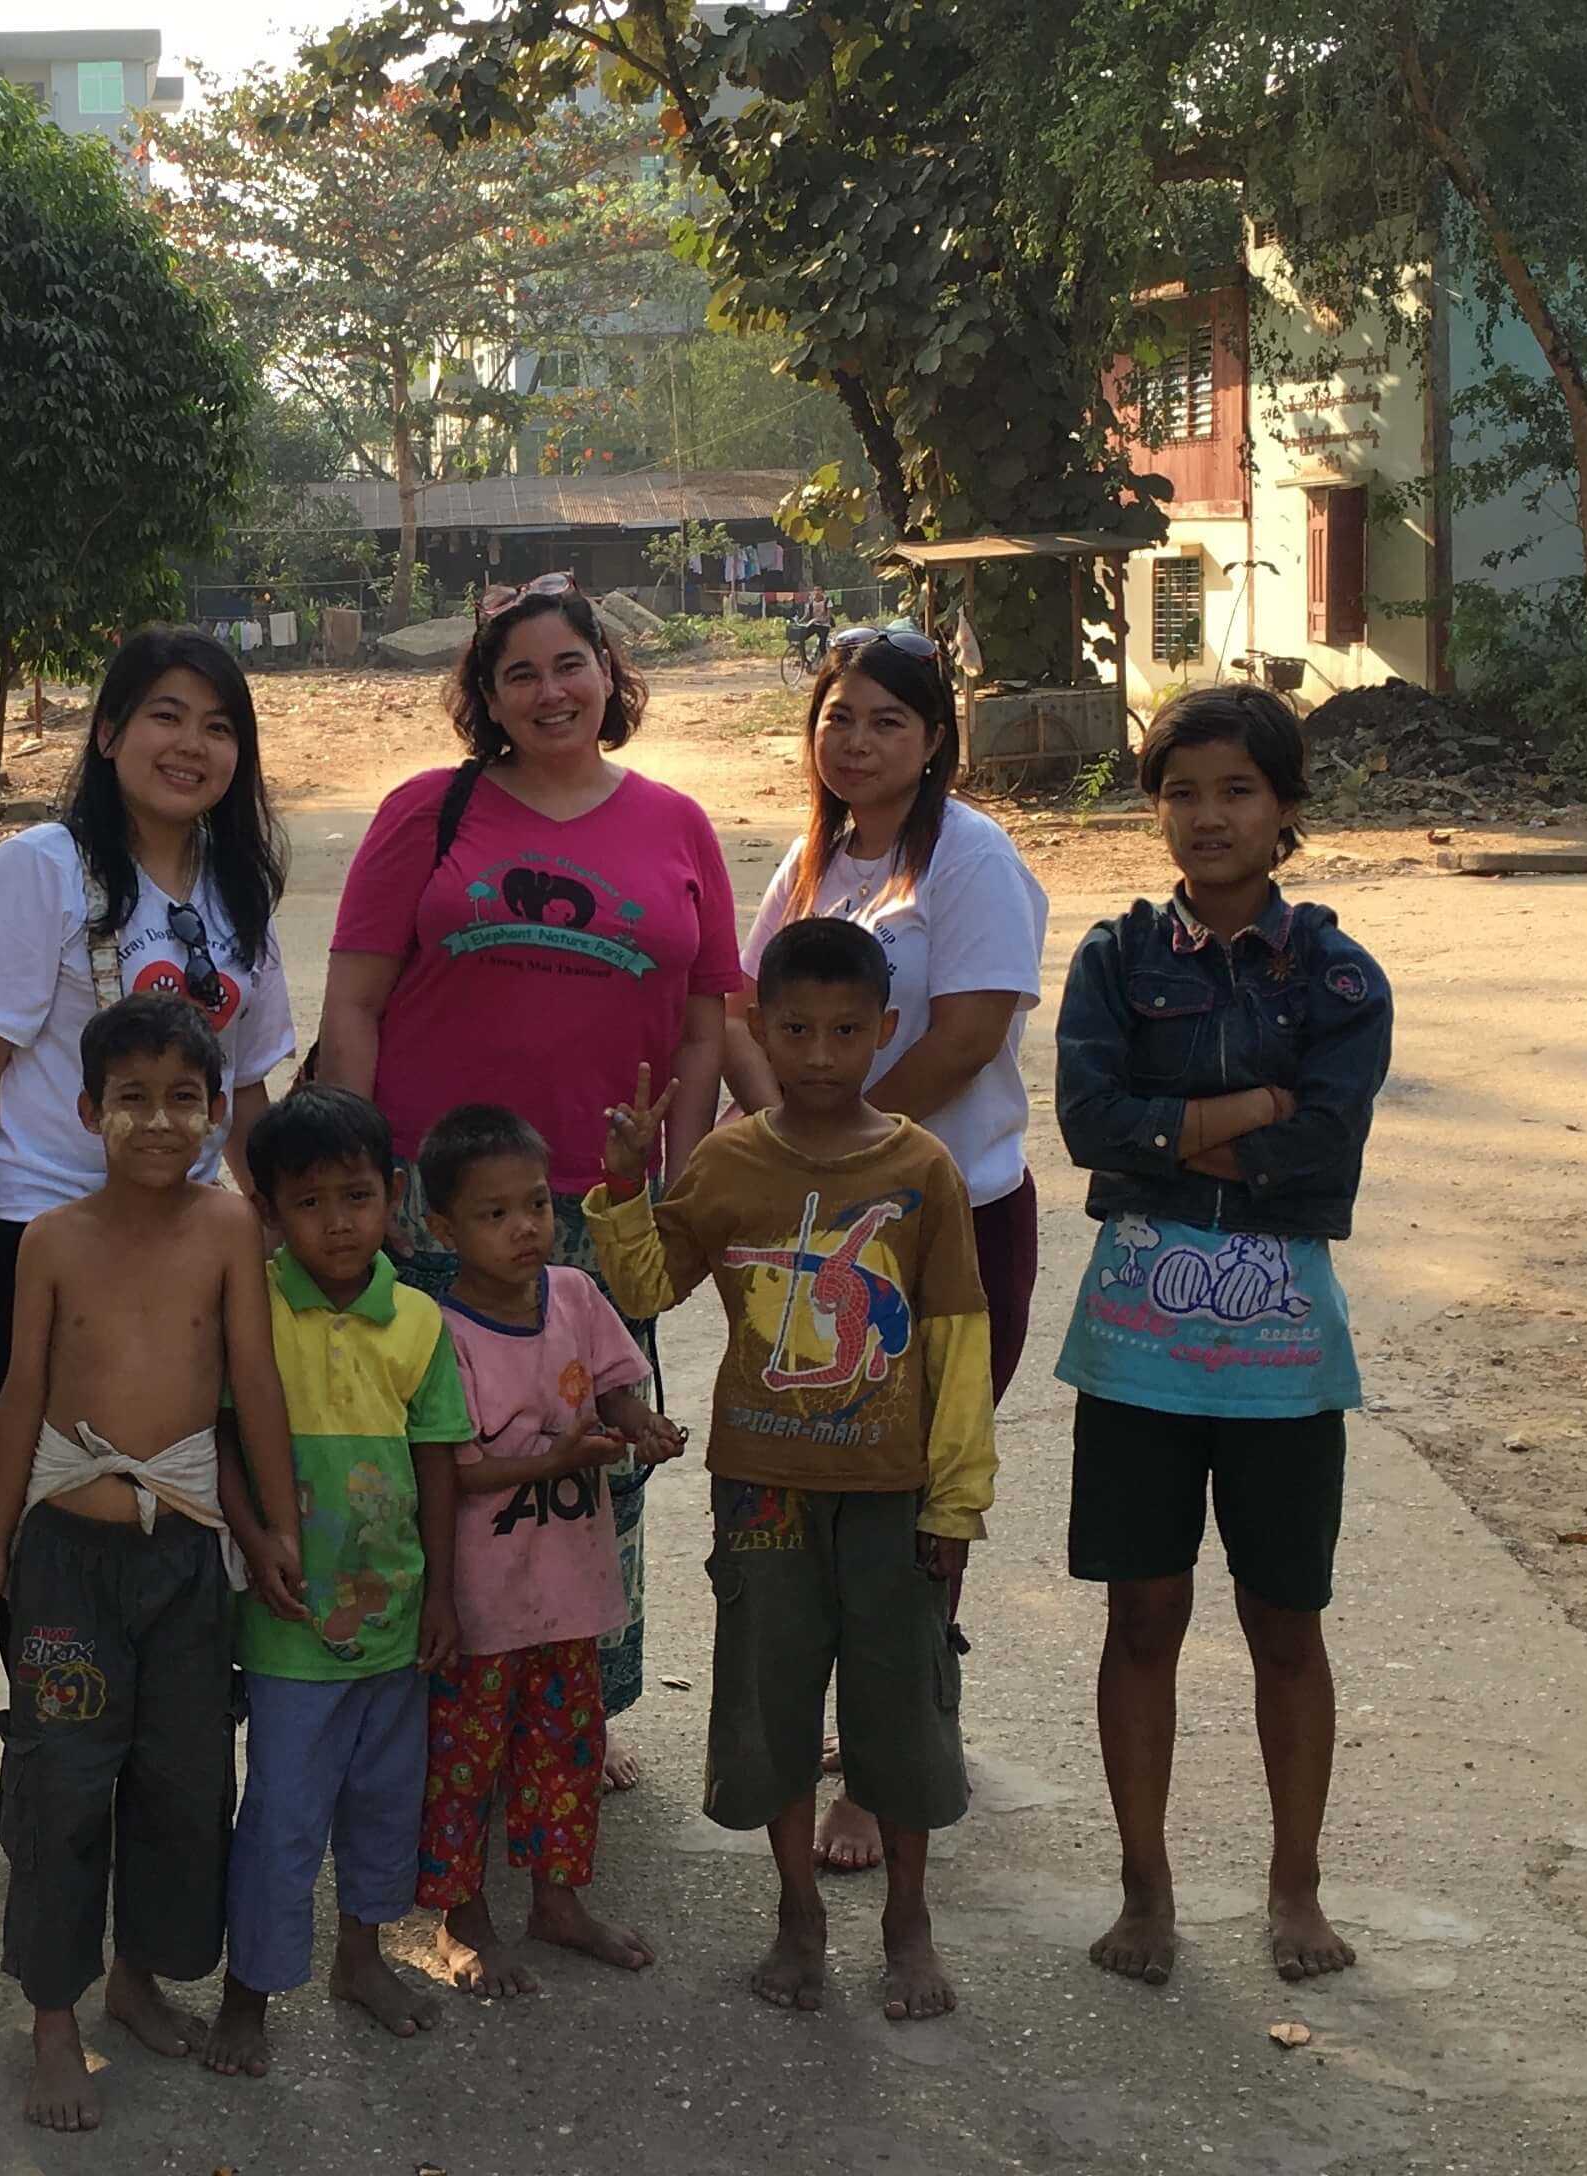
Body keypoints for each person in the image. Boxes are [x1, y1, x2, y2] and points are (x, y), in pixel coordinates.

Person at [324, 576, 742, 1786]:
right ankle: (437, 1697)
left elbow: (710, 1025)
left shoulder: (677, 825)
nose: (550, 690)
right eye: (520, 673)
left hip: (603, 1204)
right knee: (441, 1460)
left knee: (594, 1454)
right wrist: (366, 1177)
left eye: (571, 664)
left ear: (610, 675)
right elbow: (353, 999)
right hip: (437, 1202)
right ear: (486, 699)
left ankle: (574, 1709)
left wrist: (676, 1188)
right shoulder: (427, 814)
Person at [589, 920, 999, 2022]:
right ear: (759, 1029)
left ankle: (908, 1918)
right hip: (762, 1484)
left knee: (900, 1709)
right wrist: (624, 1185)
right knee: (771, 1704)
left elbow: (959, 1334)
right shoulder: (728, 1159)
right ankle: (799, 1912)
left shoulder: (921, 1168)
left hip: (893, 1493)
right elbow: (651, 1281)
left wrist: (956, 1496)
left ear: (886, 1029)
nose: (820, 1055)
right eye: (797, 1030)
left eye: (846, 1031)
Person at [1052, 684, 1391, 1989]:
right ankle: (1146, 1892)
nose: (1208, 816)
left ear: (1286, 811)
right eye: (1182, 790)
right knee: (1141, 1618)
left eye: (1237, 790)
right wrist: (1252, 1099)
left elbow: (1323, 1151)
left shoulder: (1341, 975)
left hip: (1284, 1358)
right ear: (1156, 809)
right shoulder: (1113, 957)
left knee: (1284, 1622)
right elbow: (1091, 1124)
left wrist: (1169, 1122)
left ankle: (1294, 1887)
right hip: (1134, 1349)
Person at [723, 625, 1050, 1873]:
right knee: (825, 1480)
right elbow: (755, 1010)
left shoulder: (971, 858)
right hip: (820, 1236)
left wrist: (849, 1145)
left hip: (949, 1221)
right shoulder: (811, 861)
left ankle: (886, 1770)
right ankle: (847, 1726)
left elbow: (967, 1033)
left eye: (887, 723)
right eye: (838, 717)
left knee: (914, 1492)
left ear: (933, 743)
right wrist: (772, 1144)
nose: (856, 742)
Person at [0, 993, 306, 2133]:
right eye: (133, 1100)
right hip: (65, 1556)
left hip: (187, 1557)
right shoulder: (53, 1241)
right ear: (87, 1110)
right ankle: (53, 2017)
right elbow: (19, 1395)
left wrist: (274, 1530)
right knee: (61, 1783)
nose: (160, 1122)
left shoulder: (228, 1229)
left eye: (185, 1101)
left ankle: (138, 1977)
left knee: (184, 1778)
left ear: (215, 1114)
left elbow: (249, 1384)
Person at [0, 629, 296, 1438]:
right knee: (50, 1486)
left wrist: (279, 1221)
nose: (190, 746)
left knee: (172, 1471)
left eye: (218, 726)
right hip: (40, 1225)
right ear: (107, 734)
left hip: (182, 1229)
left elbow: (242, 1086)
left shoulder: (238, 888)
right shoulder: (42, 867)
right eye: (165, 716)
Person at [204, 1084, 469, 2079]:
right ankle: (250, 1991)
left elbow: (438, 1457)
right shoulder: (252, 1307)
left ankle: (359, 1956)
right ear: (267, 1212)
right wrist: (254, 1528)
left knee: (383, 1800)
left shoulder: (419, 1321)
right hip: (288, 1622)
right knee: (280, 1812)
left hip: (397, 1618)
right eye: (307, 1203)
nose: (337, 1221)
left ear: (393, 1194)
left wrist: (441, 1593)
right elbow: (220, 1437)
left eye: (356, 1196)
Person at [405, 1103, 681, 1996]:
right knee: (464, 1763)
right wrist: (558, 1457)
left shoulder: (572, 1293)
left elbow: (612, 1384)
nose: (524, 1227)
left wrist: (639, 1424)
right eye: (493, 1214)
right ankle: (462, 1916)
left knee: (565, 1750)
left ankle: (557, 1902)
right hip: (485, 1600)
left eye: (533, 1204)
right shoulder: (440, 1333)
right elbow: (458, 1470)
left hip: (569, 1587)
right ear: (442, 1227)